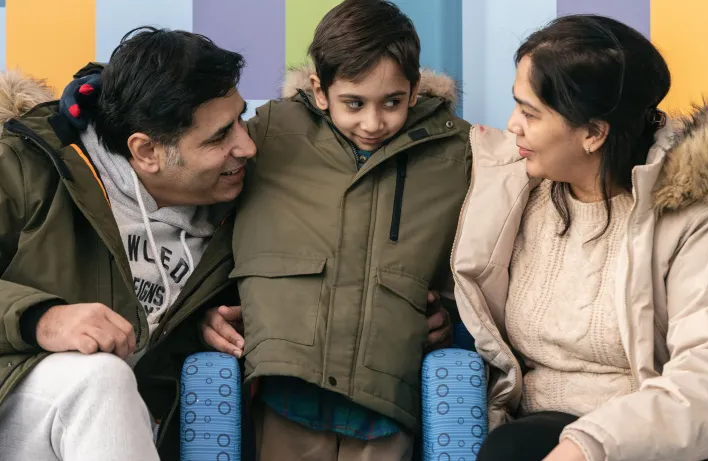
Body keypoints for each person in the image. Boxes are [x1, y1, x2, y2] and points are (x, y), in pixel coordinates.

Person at [0, 26, 453, 461]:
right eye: (220, 136)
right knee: (100, 380)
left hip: (133, 432)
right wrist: (41, 318)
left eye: (240, 118)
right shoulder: (28, 168)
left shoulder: (245, 197)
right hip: (20, 402)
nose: (248, 145)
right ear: (146, 152)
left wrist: (407, 310)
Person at [450, 14, 708, 461]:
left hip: (663, 437)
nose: (512, 124)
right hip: (541, 431)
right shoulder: (513, 188)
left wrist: (590, 444)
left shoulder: (697, 215)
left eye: (530, 112)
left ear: (594, 133)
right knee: (511, 448)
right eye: (517, 104)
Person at [233, 0, 470, 461]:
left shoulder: (456, 152)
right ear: (320, 90)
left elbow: (482, 257)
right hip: (289, 388)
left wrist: (450, 315)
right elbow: (209, 226)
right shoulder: (268, 134)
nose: (374, 121)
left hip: (387, 396)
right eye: (354, 103)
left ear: (416, 88)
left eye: (392, 102)